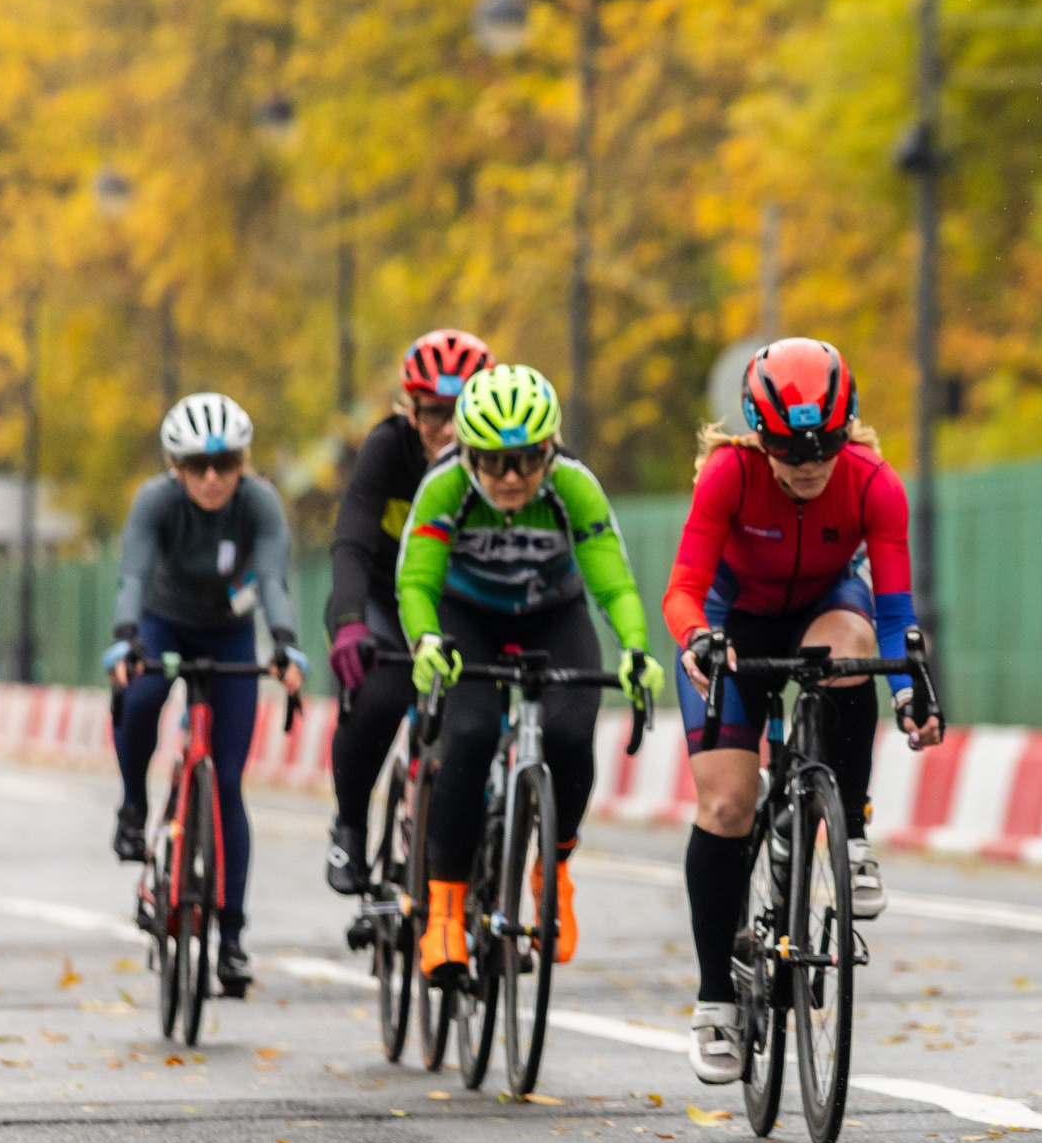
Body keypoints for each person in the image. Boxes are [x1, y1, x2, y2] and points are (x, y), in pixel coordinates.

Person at [669, 338, 942, 1084]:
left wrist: (912, 693)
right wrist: (697, 638)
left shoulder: (872, 482)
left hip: (826, 610)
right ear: (759, 435)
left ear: (848, 424)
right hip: (733, 623)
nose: (810, 460)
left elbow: (892, 614)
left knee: (850, 649)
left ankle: (848, 834)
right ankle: (715, 1002)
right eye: (790, 447)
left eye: (824, 442)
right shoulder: (729, 474)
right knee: (726, 803)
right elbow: (684, 586)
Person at [395, 364, 663, 985]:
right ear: (466, 453)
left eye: (526, 460)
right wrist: (426, 638)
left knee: (572, 734)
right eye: (492, 462)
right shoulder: (444, 487)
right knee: (467, 736)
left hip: (553, 615)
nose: (511, 478)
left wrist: (633, 646)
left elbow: (612, 577)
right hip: (467, 617)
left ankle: (555, 871)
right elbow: (415, 579)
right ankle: (443, 911)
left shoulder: (573, 486)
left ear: (550, 448)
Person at [104, 392, 308, 999]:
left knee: (224, 786)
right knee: (139, 701)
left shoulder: (260, 503)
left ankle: (233, 939)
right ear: (176, 467)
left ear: (244, 463)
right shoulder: (155, 501)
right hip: (163, 623)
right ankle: (134, 807)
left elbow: (272, 580)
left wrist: (287, 645)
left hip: (228, 635)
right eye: (197, 466)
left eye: (226, 465)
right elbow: (132, 578)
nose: (213, 479)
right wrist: (124, 641)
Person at [321, 328, 488, 897]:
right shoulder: (388, 448)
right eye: (433, 414)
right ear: (410, 410)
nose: (446, 430)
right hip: (384, 598)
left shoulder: (498, 462)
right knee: (384, 693)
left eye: (459, 413)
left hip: (459, 604)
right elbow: (351, 541)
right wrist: (348, 623)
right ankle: (349, 821)